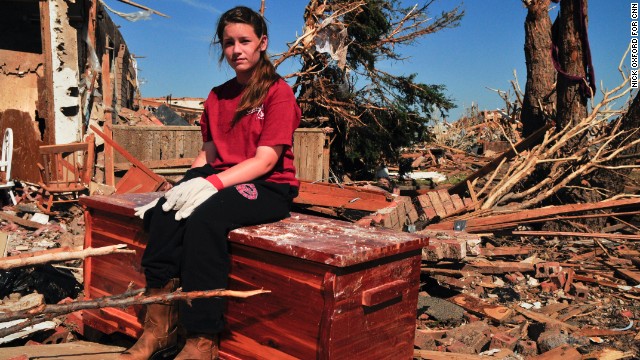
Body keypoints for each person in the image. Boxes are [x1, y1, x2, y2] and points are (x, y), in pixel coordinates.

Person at [119, 6, 300, 360]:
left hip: (266, 184)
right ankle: (160, 328)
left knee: (205, 219)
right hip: (222, 176)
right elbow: (208, 154)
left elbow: (266, 160)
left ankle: (202, 338)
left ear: (262, 43)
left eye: (245, 41)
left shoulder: (278, 93)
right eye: (229, 42)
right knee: (167, 214)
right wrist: (184, 186)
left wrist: (212, 185)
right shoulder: (217, 96)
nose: (237, 50)